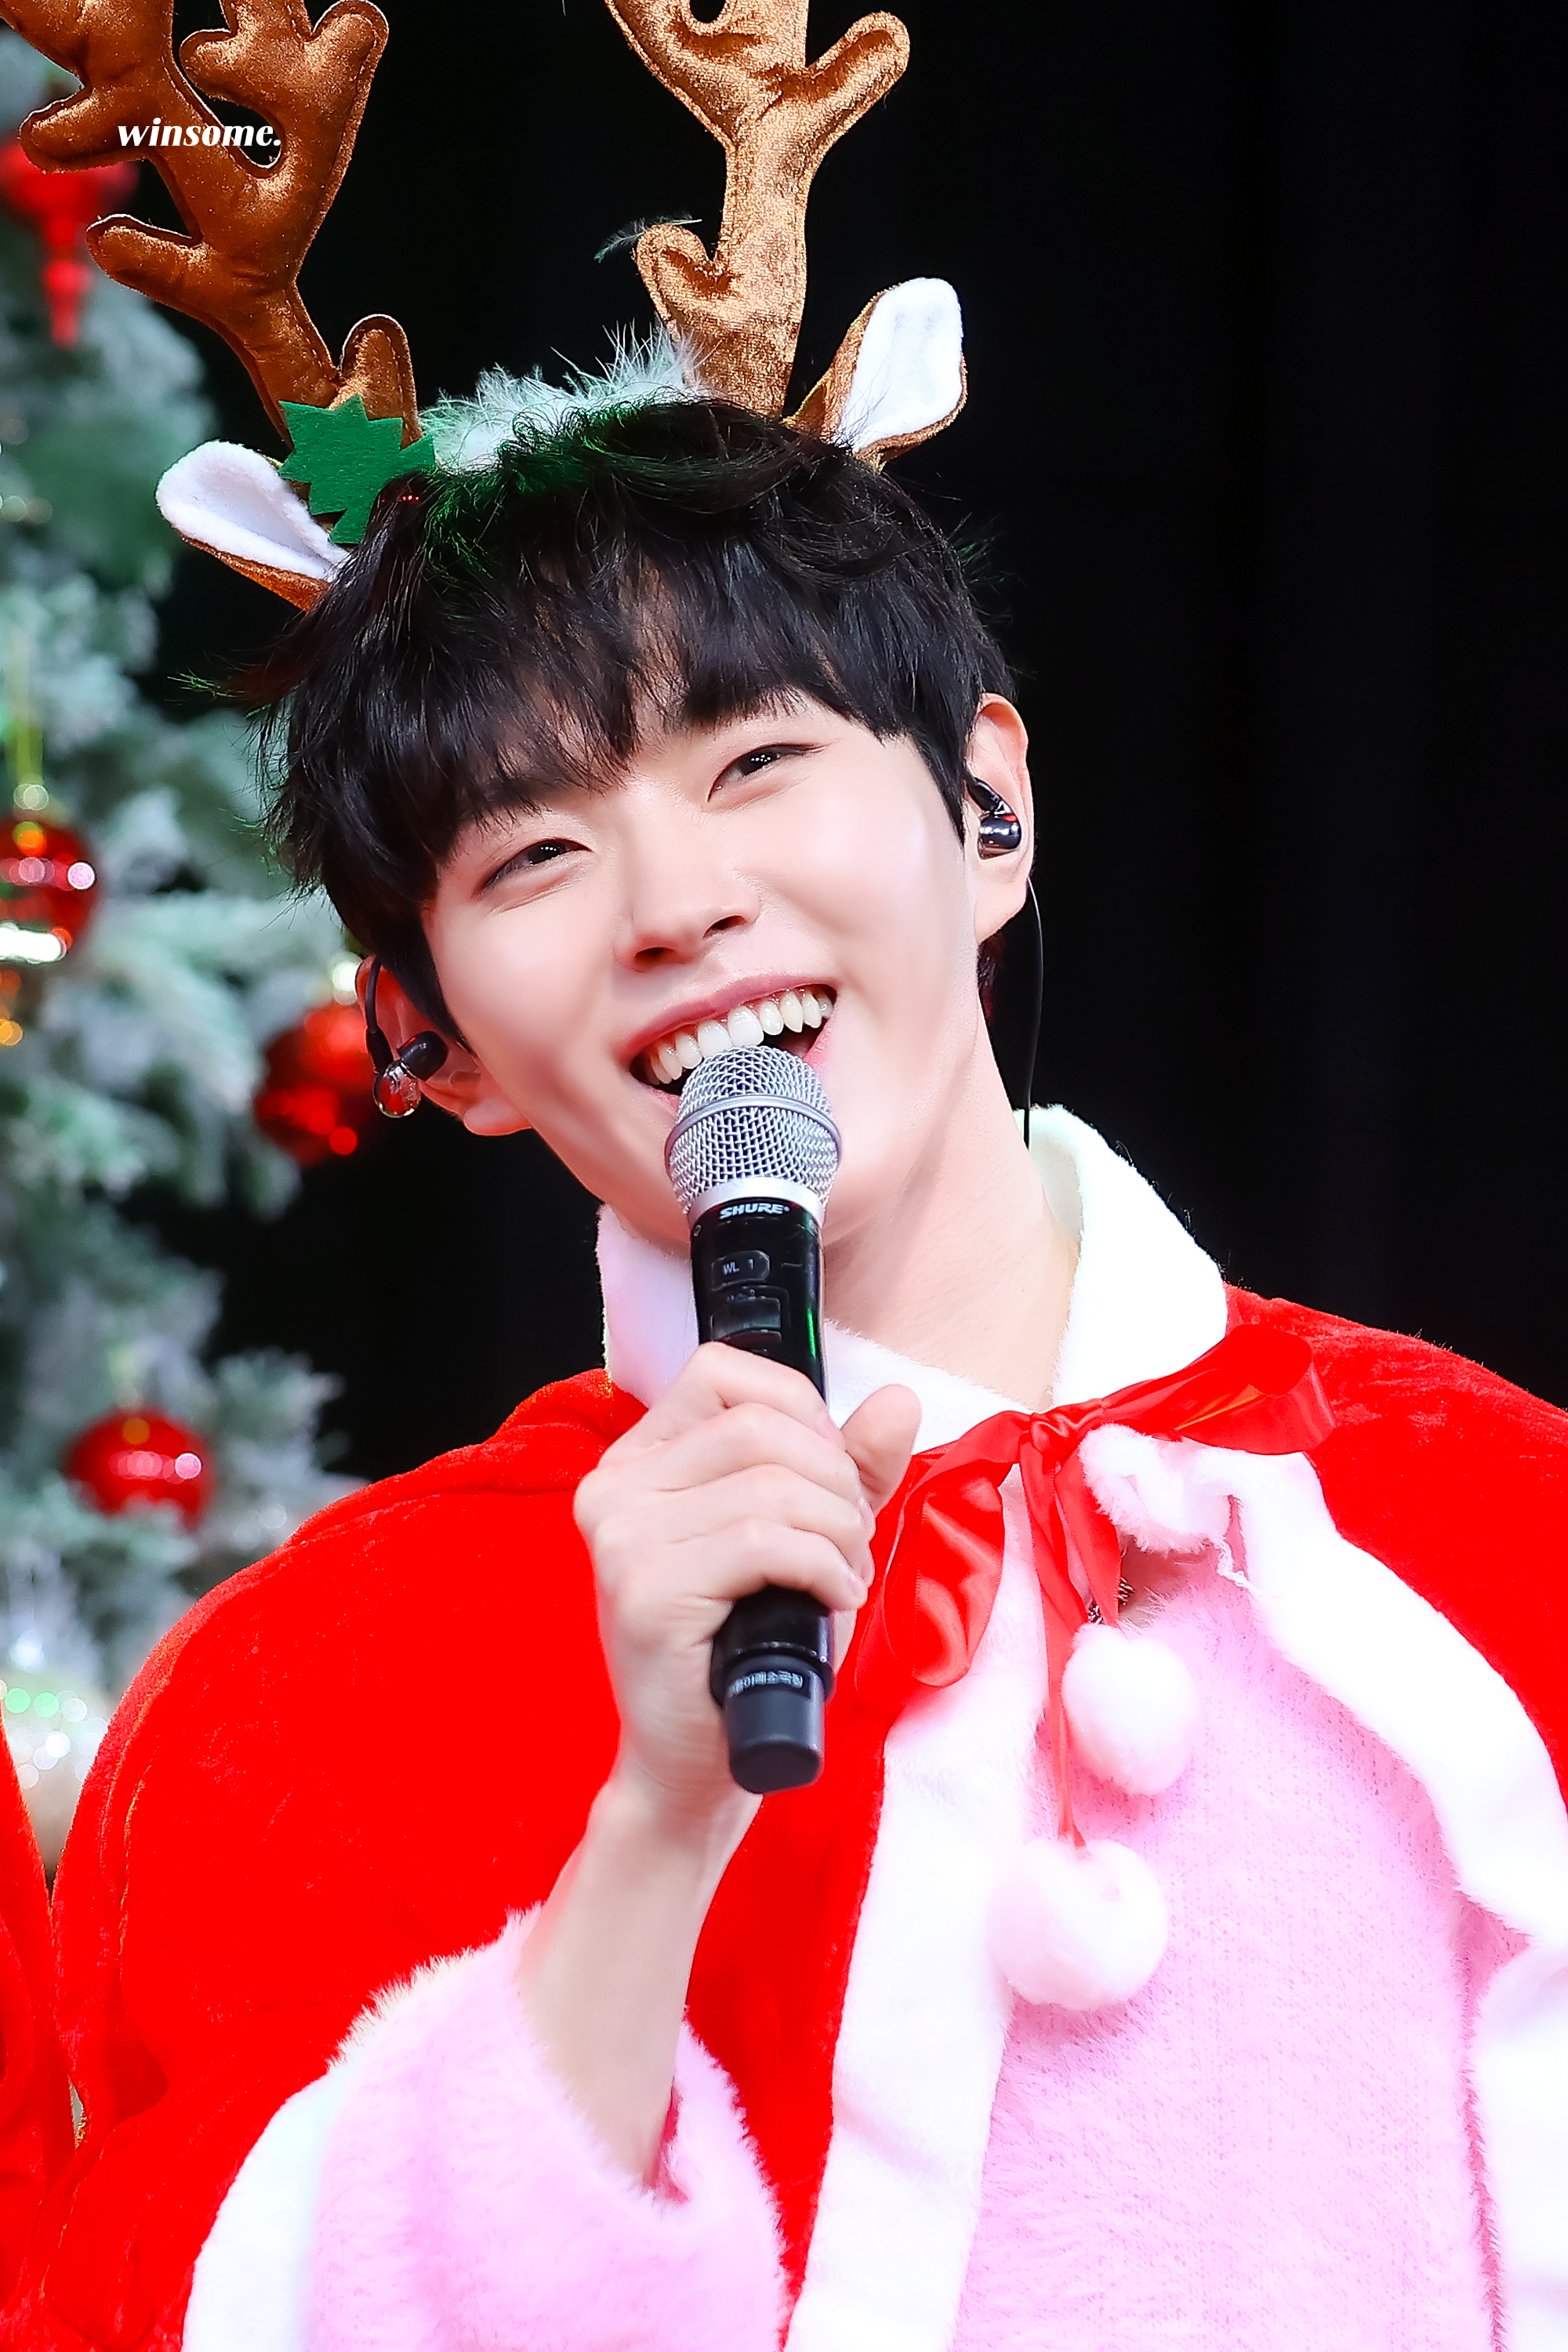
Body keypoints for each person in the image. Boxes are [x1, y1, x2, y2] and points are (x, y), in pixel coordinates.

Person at [9, 390, 1568, 2352]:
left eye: (753, 759)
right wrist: (654, 1825)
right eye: (534, 853)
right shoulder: (313, 1694)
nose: (678, 907)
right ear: (434, 1044)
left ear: (985, 809)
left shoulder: (1493, 1514)